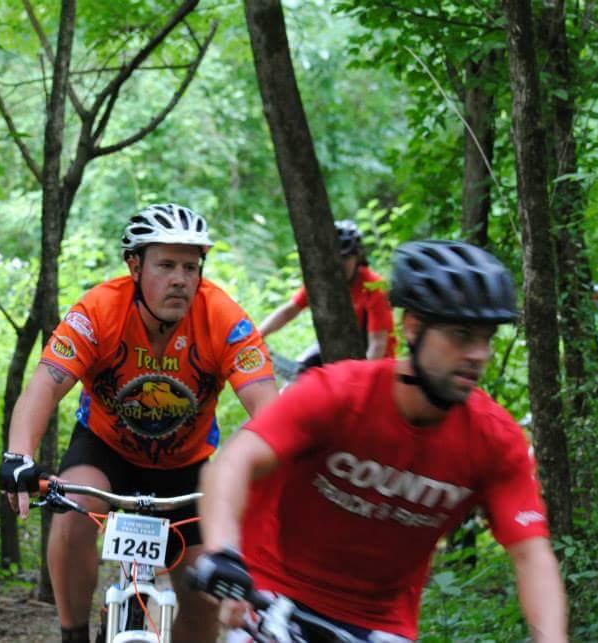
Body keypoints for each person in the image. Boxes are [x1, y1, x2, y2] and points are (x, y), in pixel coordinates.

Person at [196, 240, 568, 642]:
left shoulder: (494, 439)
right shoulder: (337, 394)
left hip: (379, 621)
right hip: (273, 588)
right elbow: (235, 462)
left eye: (486, 338)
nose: (479, 354)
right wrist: (223, 553)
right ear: (413, 327)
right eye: (461, 335)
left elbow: (531, 554)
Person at [0, 203, 278, 643]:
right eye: (165, 265)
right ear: (134, 265)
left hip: (188, 466)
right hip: (105, 452)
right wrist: (18, 455)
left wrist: (286, 467)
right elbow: (43, 388)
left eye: (191, 266)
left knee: (205, 585)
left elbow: (271, 413)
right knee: (71, 519)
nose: (181, 279)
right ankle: (73, 635)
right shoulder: (98, 310)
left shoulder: (225, 319)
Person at [258, 219, 396, 369]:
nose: (339, 264)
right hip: (339, 350)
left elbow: (377, 345)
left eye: (345, 258)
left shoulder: (374, 287)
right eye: (333, 257)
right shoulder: (322, 283)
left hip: (375, 363)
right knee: (298, 377)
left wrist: (361, 383)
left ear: (358, 257)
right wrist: (259, 335)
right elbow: (289, 311)